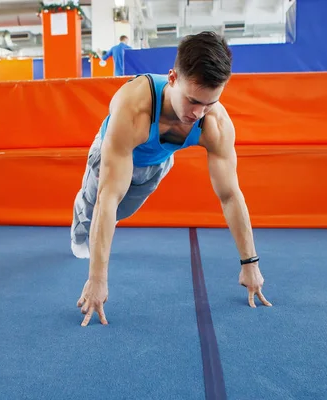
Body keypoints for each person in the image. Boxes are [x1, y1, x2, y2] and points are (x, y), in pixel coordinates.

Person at [71, 31, 272, 327]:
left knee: (122, 213)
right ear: (173, 78)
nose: (198, 113)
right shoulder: (134, 107)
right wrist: (97, 279)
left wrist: (250, 264)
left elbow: (230, 194)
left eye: (209, 103)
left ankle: (94, 226)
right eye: (193, 101)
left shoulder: (215, 123)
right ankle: (79, 219)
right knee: (95, 203)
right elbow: (108, 196)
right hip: (112, 151)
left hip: (156, 162)